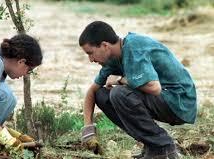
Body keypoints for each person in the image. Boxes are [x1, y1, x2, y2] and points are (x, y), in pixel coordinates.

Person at [79, 21, 197, 159]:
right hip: (163, 99)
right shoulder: (112, 58)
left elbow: (154, 87)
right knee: (102, 95)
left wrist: (119, 80)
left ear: (105, 45)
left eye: (90, 53)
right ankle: (152, 146)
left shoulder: (134, 47)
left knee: (119, 93)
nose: (90, 59)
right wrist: (88, 128)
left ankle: (163, 147)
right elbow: (92, 91)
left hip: (179, 101)